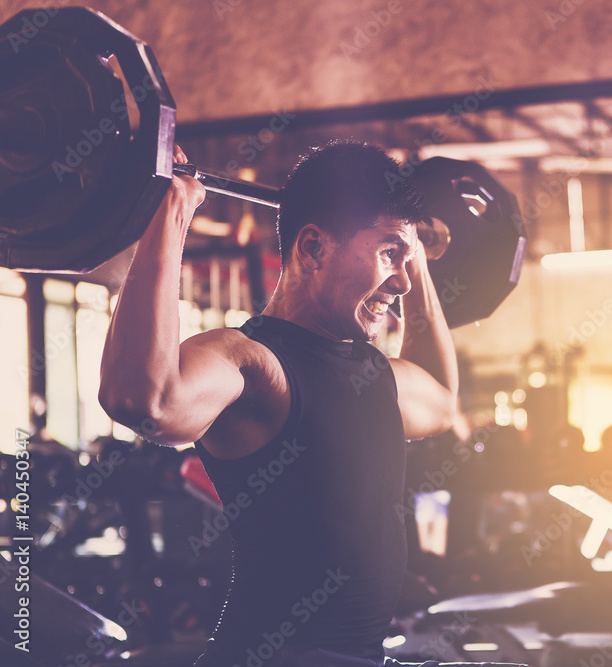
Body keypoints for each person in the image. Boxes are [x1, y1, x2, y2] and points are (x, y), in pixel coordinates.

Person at [99, 142, 527, 667]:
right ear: (313, 249)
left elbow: (440, 398)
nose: (403, 282)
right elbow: (144, 398)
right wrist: (170, 211)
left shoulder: (372, 373)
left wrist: (412, 249)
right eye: (388, 253)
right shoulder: (253, 364)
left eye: (406, 260)